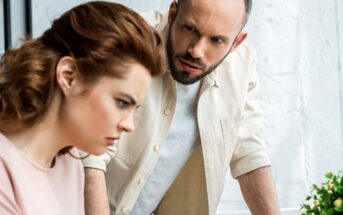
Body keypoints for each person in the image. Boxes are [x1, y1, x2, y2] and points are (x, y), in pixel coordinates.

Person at [83, 0, 281, 214]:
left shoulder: (242, 64)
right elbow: (91, 156)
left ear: (236, 42)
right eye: (190, 28)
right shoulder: (128, 40)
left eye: (216, 40)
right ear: (172, 13)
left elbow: (249, 155)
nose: (196, 50)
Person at [0, 1, 164, 215]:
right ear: (69, 76)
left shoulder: (69, 165)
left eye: (134, 109)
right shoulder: (5, 175)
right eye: (122, 102)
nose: (128, 125)